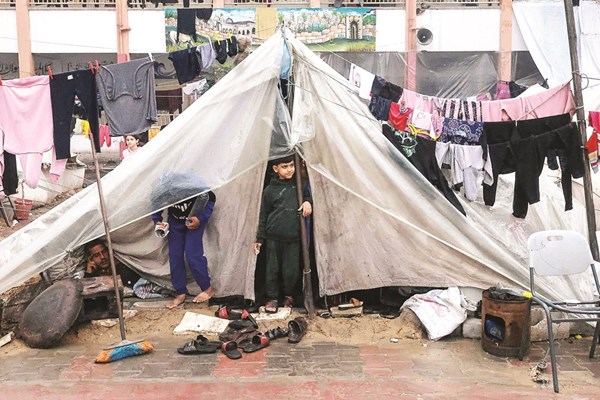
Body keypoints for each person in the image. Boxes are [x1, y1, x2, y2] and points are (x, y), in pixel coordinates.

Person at [254, 155, 312, 313]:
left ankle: (289, 296)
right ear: (275, 169)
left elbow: (308, 196)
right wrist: (260, 238)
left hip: (293, 237)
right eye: (285, 166)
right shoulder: (270, 190)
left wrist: (307, 202)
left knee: (291, 271)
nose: (289, 170)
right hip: (273, 237)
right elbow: (263, 214)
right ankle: (272, 298)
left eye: (292, 165)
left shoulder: (299, 186)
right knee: (272, 270)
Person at [152, 191, 216, 309]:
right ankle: (181, 293)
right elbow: (157, 200)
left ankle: (207, 289)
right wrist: (157, 220)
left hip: (194, 221)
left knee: (193, 255)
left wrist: (200, 218)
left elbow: (211, 197)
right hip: (175, 221)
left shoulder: (193, 182)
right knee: (175, 256)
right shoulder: (164, 185)